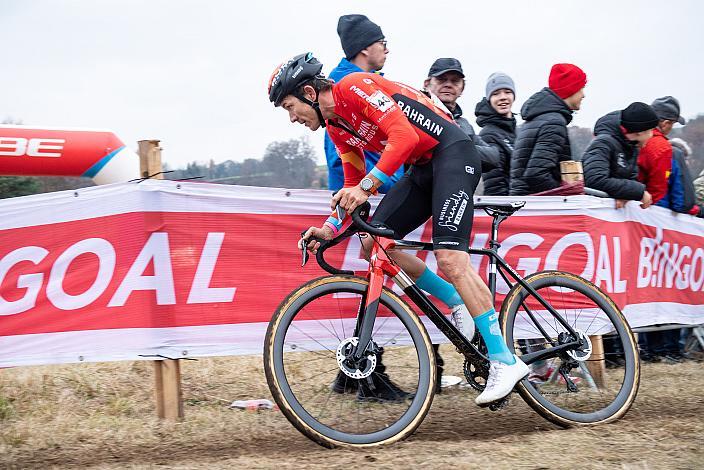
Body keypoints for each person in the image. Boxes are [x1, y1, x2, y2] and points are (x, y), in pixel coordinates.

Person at [269, 52, 529, 405]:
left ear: (310, 94)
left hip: (453, 154)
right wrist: (329, 228)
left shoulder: (353, 86)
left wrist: (363, 189)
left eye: (289, 106)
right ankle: (457, 302)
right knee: (374, 243)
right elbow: (353, 181)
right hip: (422, 168)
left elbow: (403, 137)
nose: (291, 118)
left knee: (451, 259)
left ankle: (504, 361)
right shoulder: (335, 126)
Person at [323, 14, 404, 193]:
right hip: (367, 198)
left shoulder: (371, 84)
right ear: (366, 48)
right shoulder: (340, 87)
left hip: (385, 194)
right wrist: (387, 186)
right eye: (383, 43)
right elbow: (338, 156)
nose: (387, 50)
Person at [509, 63, 587, 196]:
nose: (583, 95)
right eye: (581, 88)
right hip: (535, 209)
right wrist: (565, 194)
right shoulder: (554, 123)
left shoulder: (539, 118)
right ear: (570, 90)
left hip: (522, 205)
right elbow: (536, 175)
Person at [422, 58, 500, 173]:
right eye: (441, 79)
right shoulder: (415, 113)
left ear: (462, 88)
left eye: (455, 81)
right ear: (427, 84)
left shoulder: (464, 125)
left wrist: (458, 147)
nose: (448, 85)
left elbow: (493, 157)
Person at [582, 102, 658, 207]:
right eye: (651, 130)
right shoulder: (604, 143)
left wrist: (625, 195)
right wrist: (638, 192)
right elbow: (594, 180)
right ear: (640, 132)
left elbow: (631, 178)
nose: (652, 135)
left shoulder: (631, 146)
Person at [475, 72, 517, 195]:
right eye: (496, 94)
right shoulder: (488, 135)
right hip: (509, 208)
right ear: (489, 99)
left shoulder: (517, 131)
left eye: (507, 92)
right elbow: (494, 186)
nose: (502, 97)